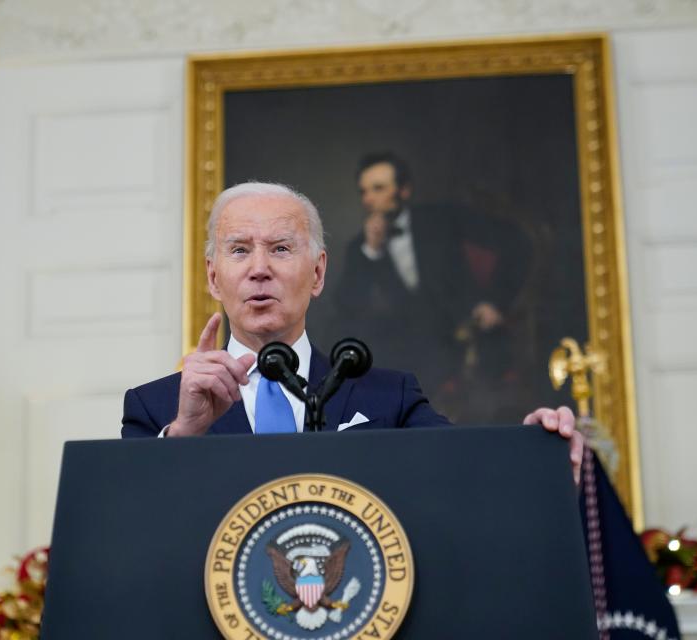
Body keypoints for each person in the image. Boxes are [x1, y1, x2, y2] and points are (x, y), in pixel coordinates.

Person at [120, 181, 583, 483]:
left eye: (281, 248)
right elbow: (126, 527)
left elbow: (463, 472)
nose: (259, 269)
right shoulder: (156, 408)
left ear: (318, 274)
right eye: (239, 250)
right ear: (213, 276)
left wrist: (534, 455)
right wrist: (185, 433)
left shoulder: (389, 398)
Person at [333, 152, 530, 398]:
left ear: (404, 190)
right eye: (364, 191)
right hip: (410, 351)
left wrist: (494, 302)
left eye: (378, 188)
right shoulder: (360, 247)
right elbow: (347, 308)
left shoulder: (442, 220)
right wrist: (372, 251)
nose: (369, 199)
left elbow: (515, 242)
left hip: (468, 335)